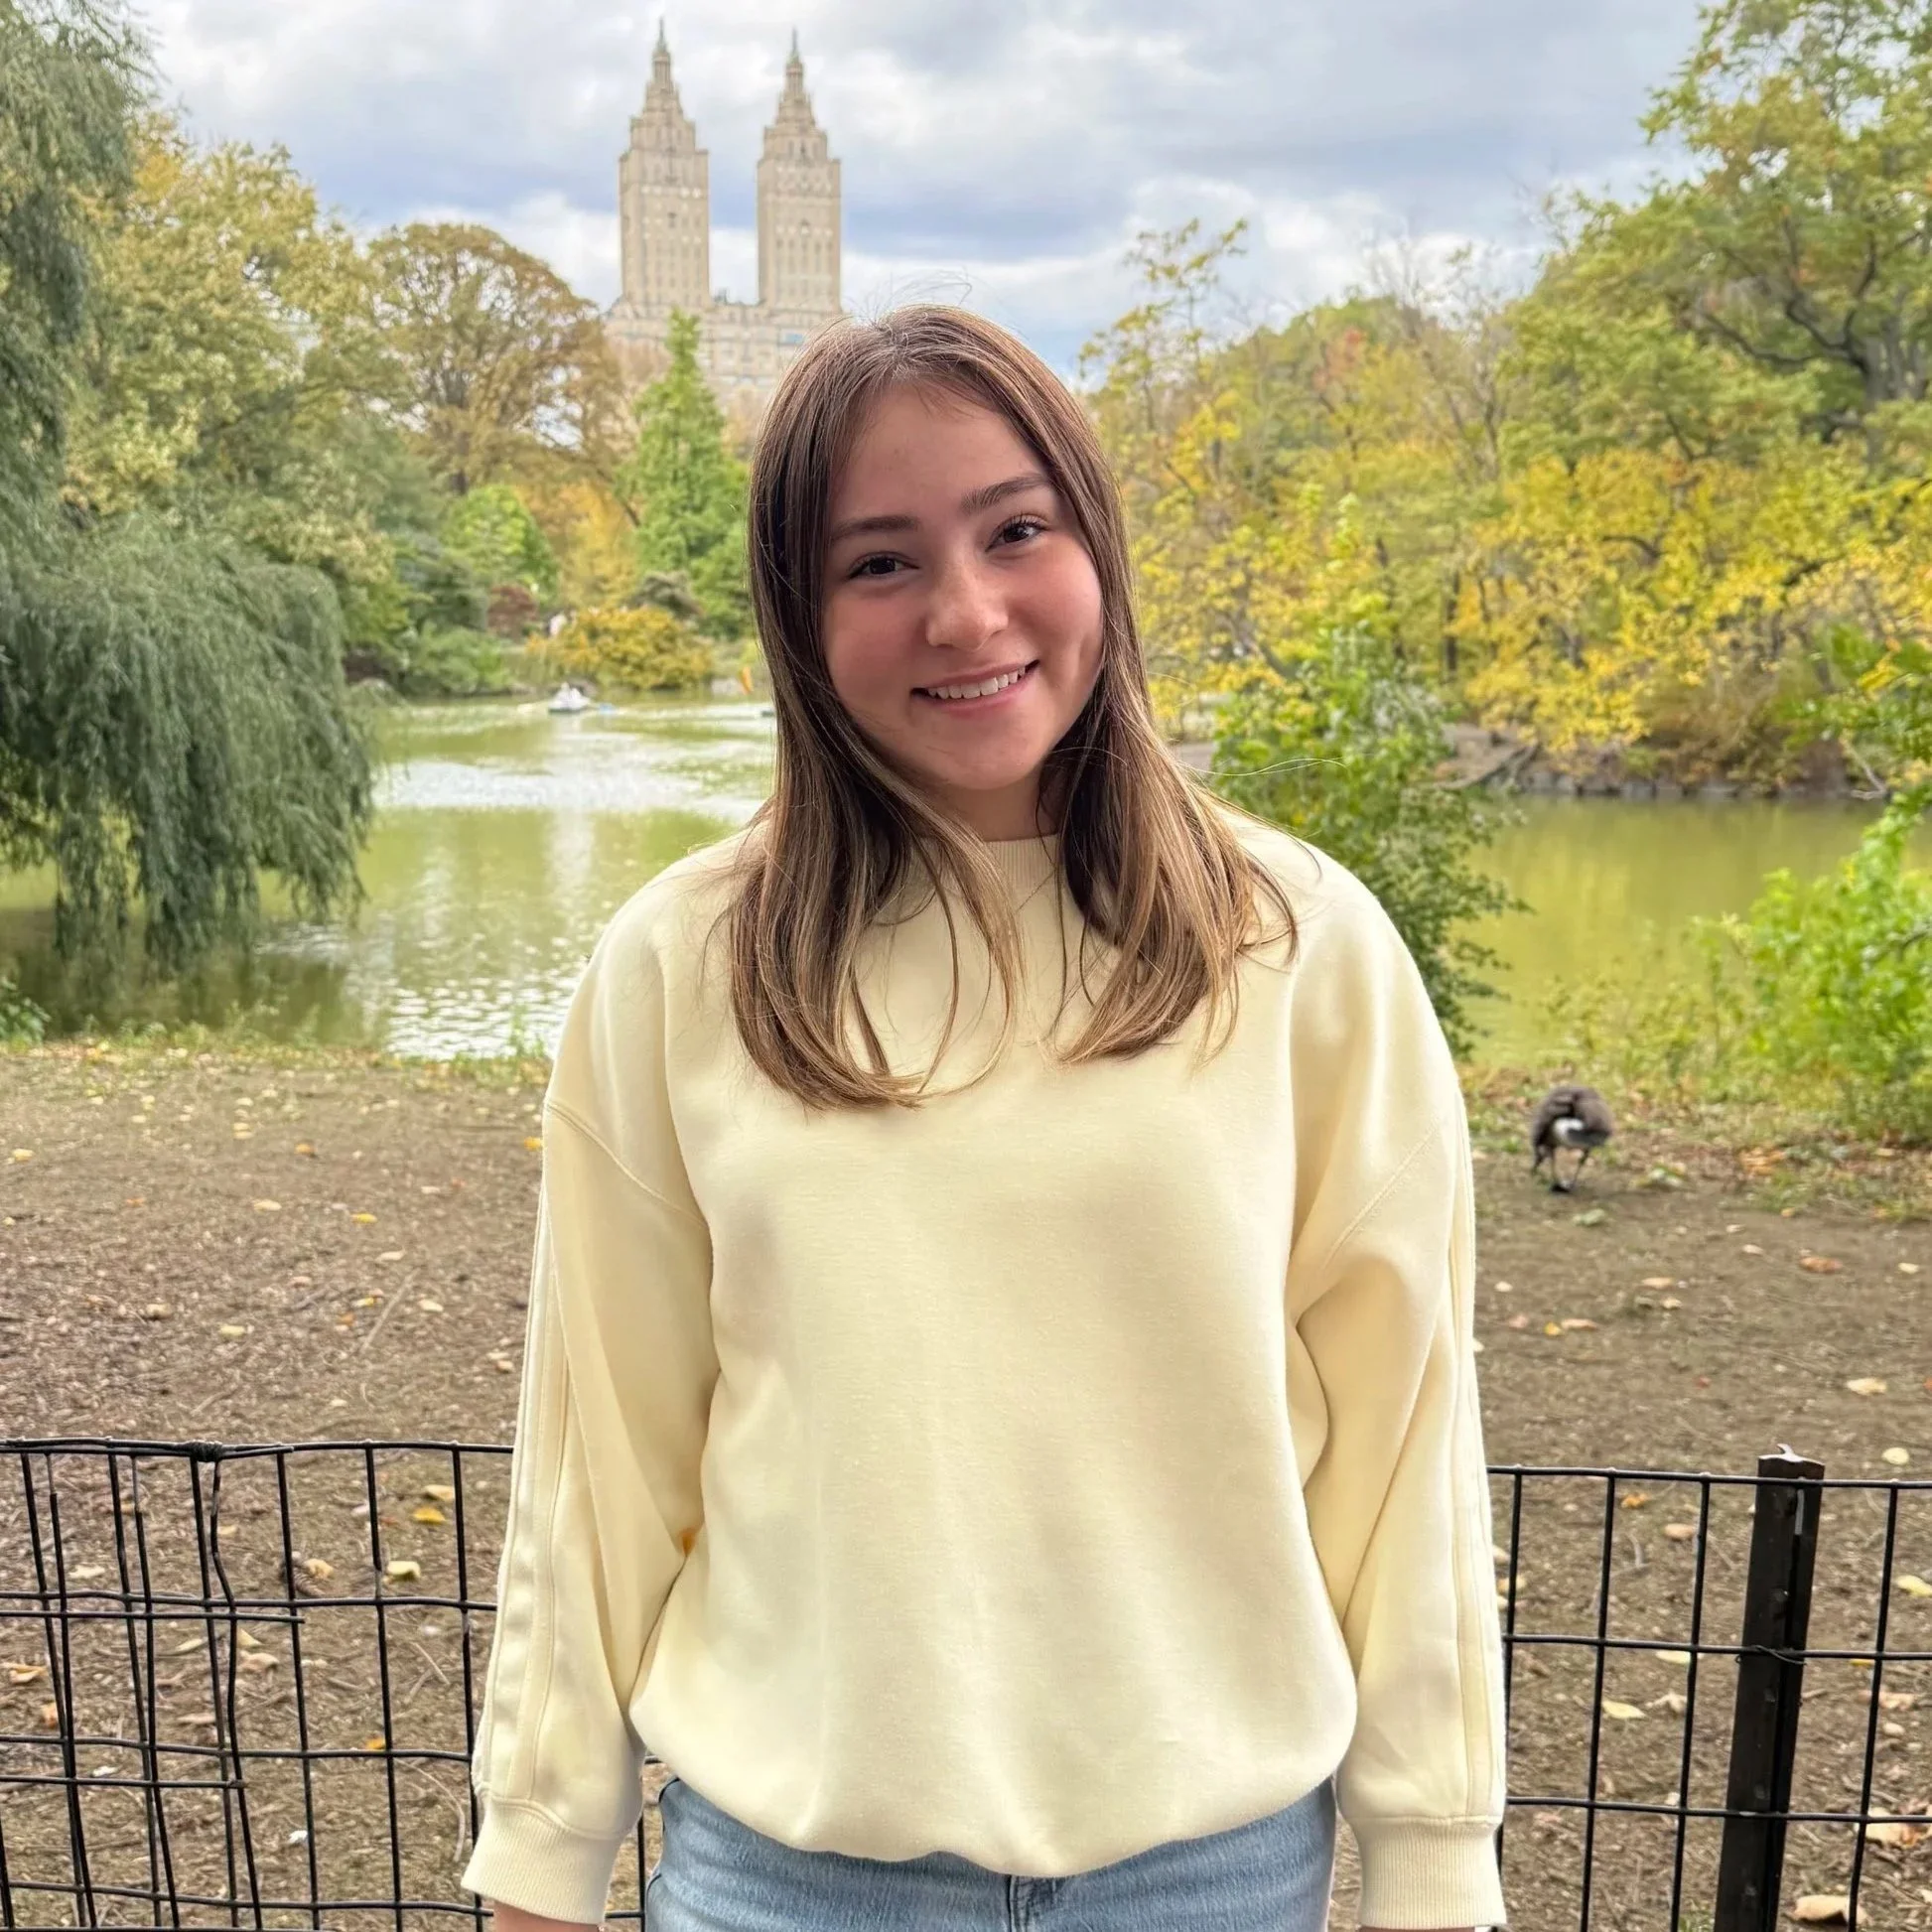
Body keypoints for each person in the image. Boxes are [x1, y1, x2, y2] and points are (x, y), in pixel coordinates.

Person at [459, 305, 1509, 1932]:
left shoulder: (1302, 946)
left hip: (1213, 1879)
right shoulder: (680, 965)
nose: (964, 611)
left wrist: (1434, 1857)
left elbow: (1403, 1442)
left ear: (1096, 545)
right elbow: (601, 1452)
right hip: (787, 1881)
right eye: (878, 562)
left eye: (1015, 529)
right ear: (798, 615)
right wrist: (540, 1848)